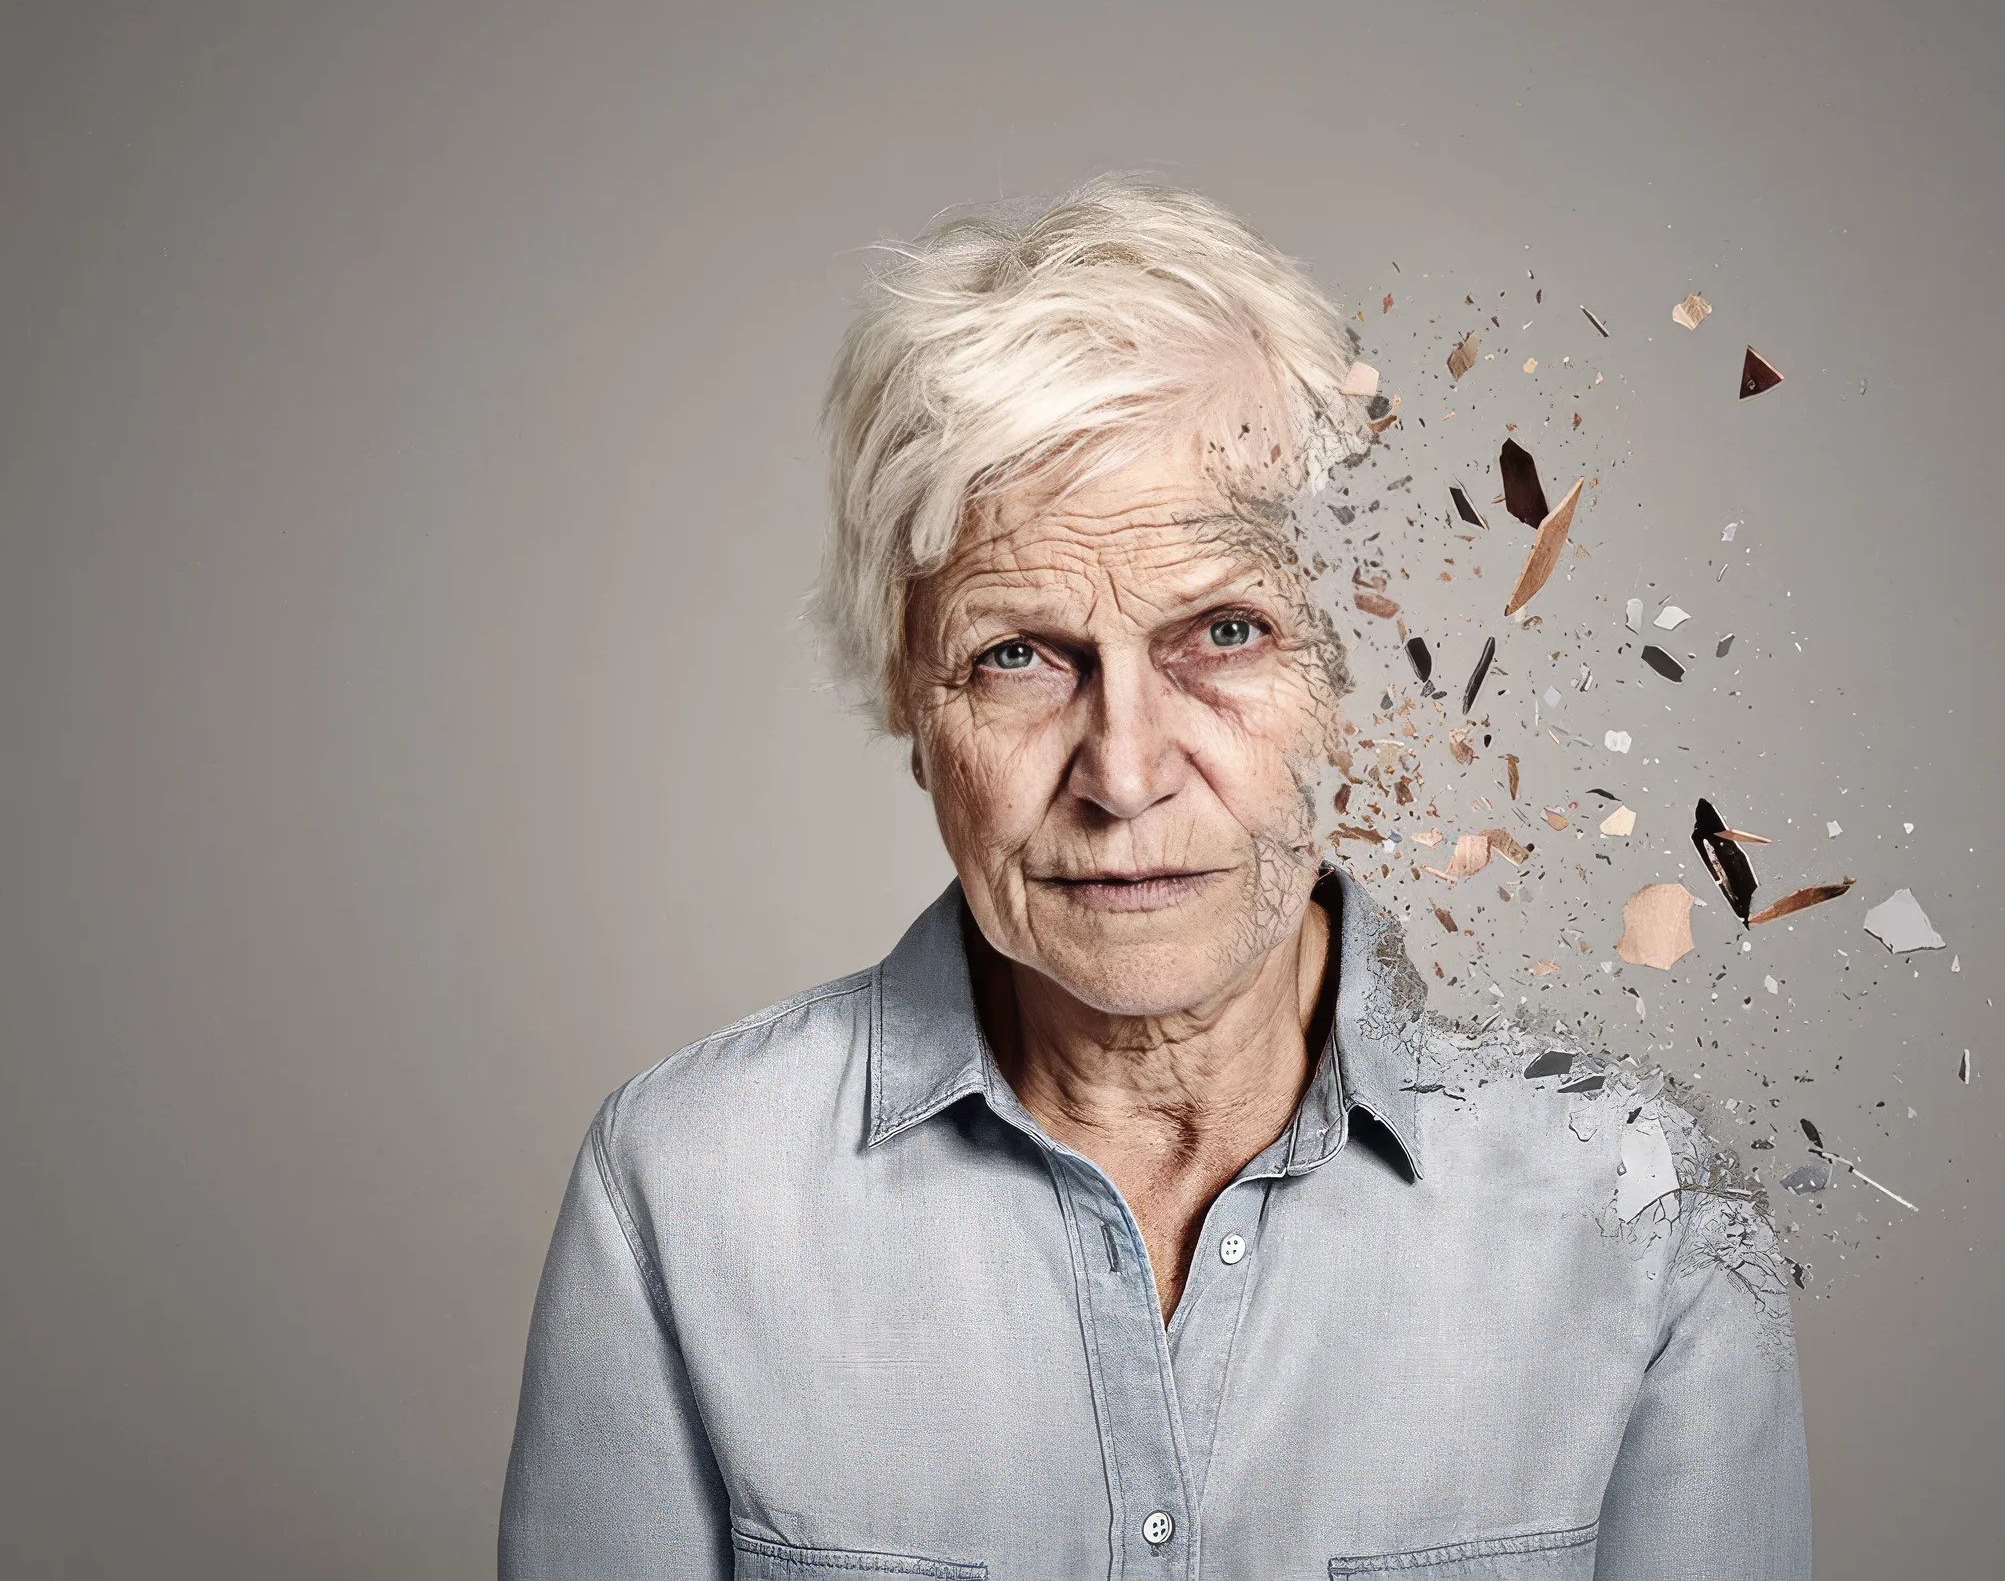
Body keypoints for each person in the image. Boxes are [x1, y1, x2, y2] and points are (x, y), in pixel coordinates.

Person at [498, 176, 1810, 1579]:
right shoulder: (685, 1191)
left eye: (1225, 631)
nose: (1123, 773)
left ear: (1349, 669)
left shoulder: (1644, 1207)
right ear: (908, 700)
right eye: (1018, 652)